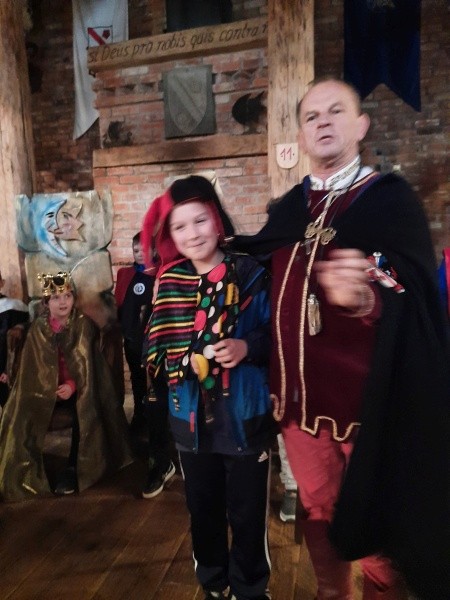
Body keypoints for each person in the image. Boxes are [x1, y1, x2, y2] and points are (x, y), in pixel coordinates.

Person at [233, 77, 450, 599]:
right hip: (298, 403)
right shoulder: (288, 210)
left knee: (377, 514)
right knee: (317, 510)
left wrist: (369, 298)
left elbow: (414, 288)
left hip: (366, 404)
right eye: (312, 116)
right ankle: (333, 593)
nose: (323, 122)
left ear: (360, 125)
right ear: (301, 135)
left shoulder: (389, 201)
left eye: (336, 111)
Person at [142, 175, 276, 600]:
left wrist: (246, 346)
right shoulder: (169, 283)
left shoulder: (251, 273)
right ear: (170, 235)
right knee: (203, 510)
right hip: (190, 418)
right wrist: (183, 358)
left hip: (244, 416)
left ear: (217, 220)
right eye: (179, 226)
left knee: (248, 514)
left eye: (200, 220)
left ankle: (250, 589)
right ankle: (214, 582)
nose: (192, 233)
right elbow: (156, 347)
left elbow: (277, 333)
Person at [0, 272, 133, 501]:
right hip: (46, 388)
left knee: (83, 409)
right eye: (56, 298)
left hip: (79, 388)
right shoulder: (39, 329)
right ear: (46, 302)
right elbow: (32, 366)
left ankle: (74, 466)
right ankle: (22, 467)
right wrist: (43, 386)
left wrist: (72, 386)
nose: (63, 302)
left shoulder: (83, 325)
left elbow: (86, 366)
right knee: (20, 409)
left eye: (68, 296)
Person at [115, 231, 156, 433]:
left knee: (157, 380)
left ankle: (158, 418)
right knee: (137, 377)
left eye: (144, 250)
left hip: (154, 340)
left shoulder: (160, 274)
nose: (139, 254)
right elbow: (120, 303)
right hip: (132, 338)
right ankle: (140, 414)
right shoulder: (125, 274)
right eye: (136, 250)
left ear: (154, 250)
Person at [0, 270, 29, 407]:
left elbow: (19, 342)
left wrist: (9, 369)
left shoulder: (14, 307)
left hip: (6, 369)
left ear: (2, 283)